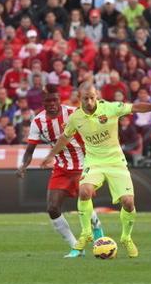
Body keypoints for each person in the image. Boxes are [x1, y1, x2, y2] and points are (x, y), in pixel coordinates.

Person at [41, 82, 151, 258]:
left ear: (97, 96)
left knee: (128, 202)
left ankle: (126, 237)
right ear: (80, 99)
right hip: (94, 162)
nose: (89, 101)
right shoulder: (75, 118)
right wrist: (51, 155)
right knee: (84, 191)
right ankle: (86, 233)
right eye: (85, 98)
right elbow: (65, 138)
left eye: (92, 97)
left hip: (116, 161)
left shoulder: (110, 108)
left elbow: (134, 107)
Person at [17, 84, 104, 258]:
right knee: (52, 208)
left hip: (83, 165)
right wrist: (23, 165)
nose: (52, 104)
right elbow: (29, 150)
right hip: (62, 169)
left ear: (59, 100)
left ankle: (97, 229)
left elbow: (97, 117)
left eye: (55, 100)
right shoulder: (38, 122)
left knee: (83, 202)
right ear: (43, 102)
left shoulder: (73, 112)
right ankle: (76, 247)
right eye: (48, 101)